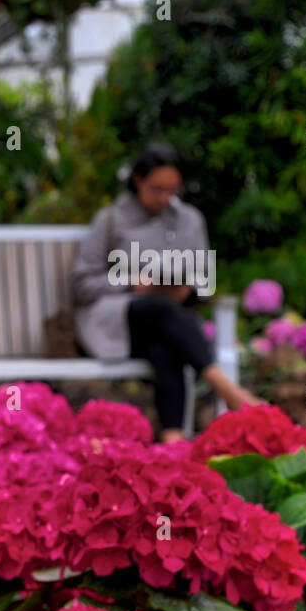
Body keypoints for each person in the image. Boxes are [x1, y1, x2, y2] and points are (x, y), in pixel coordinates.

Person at [71, 141, 262, 441]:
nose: (164, 198)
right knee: (158, 309)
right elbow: (81, 285)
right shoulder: (110, 220)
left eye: (172, 190)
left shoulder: (189, 220)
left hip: (167, 325)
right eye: (156, 189)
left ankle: (173, 441)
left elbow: (203, 279)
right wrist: (131, 284)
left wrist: (187, 290)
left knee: (167, 345)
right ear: (137, 180)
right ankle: (224, 386)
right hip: (118, 325)